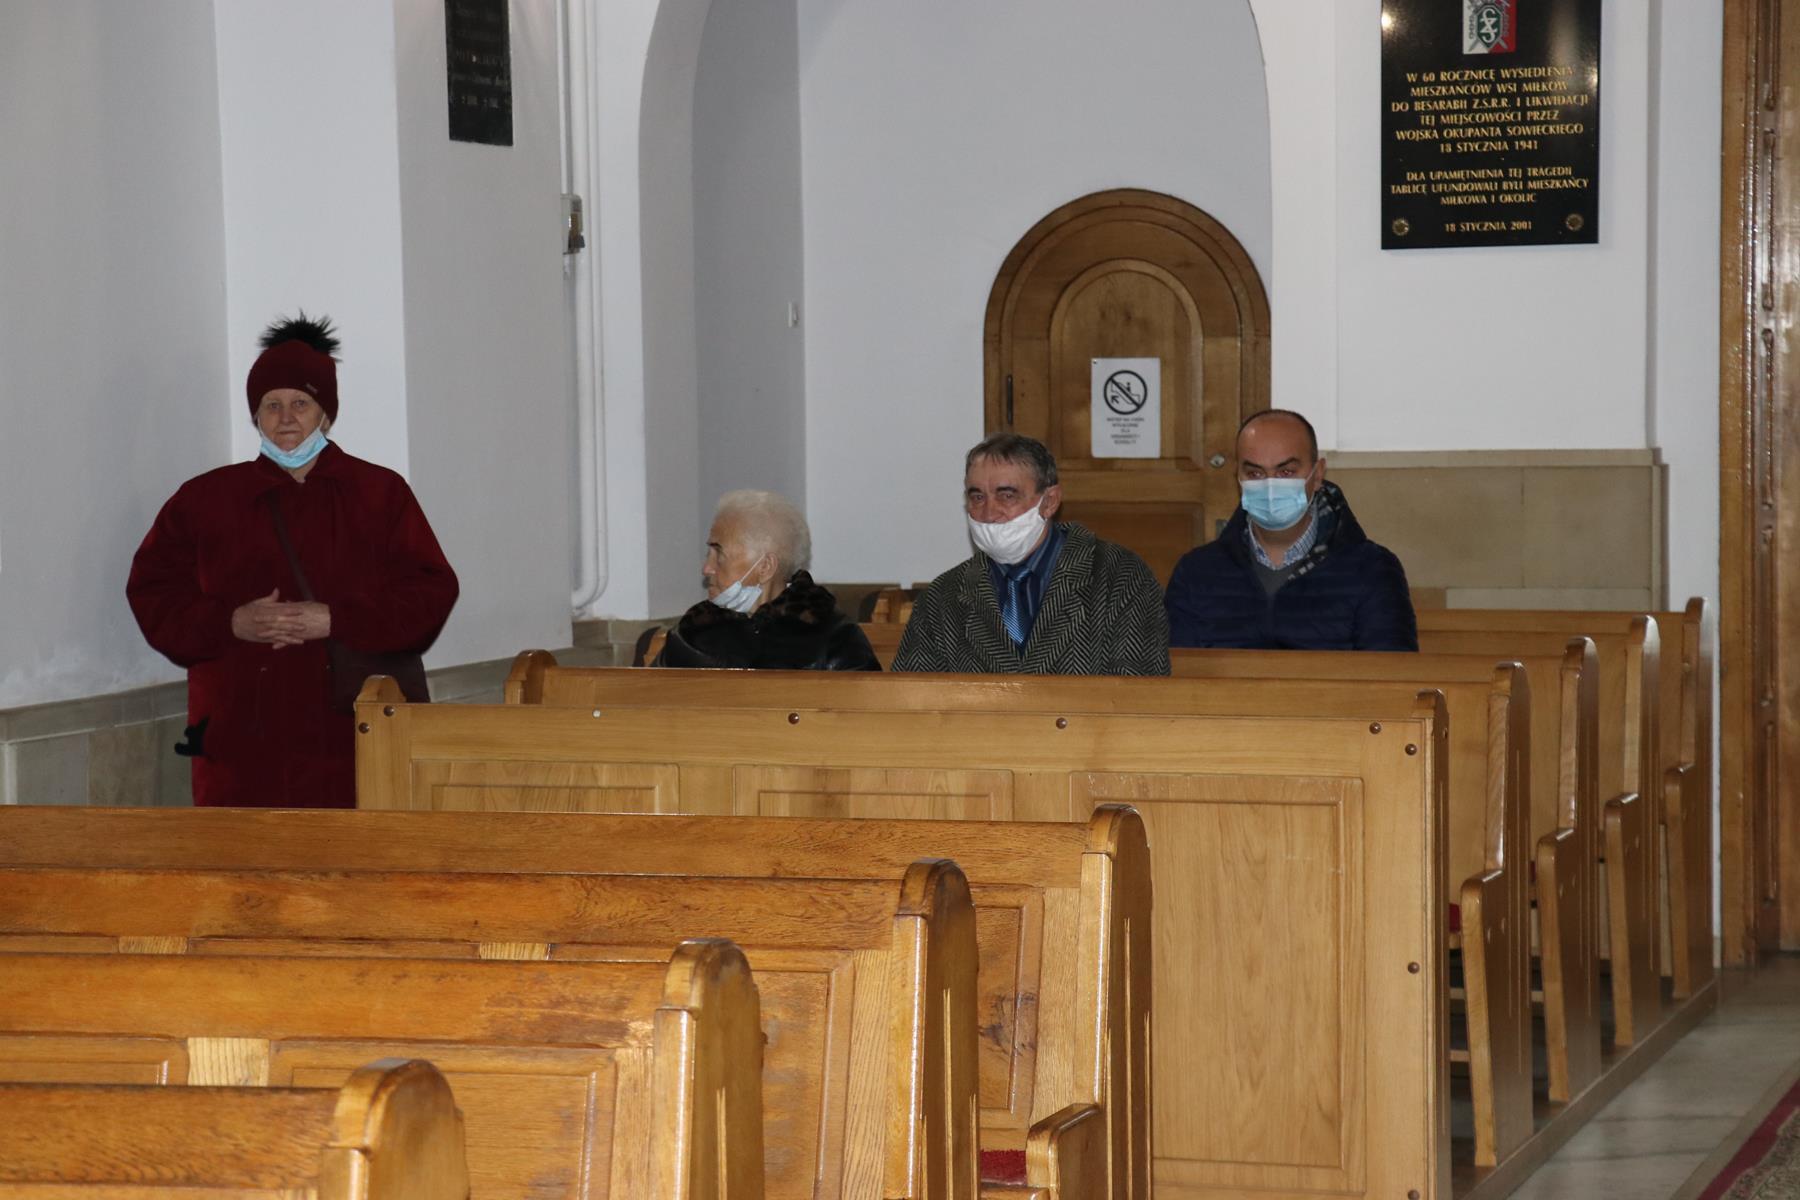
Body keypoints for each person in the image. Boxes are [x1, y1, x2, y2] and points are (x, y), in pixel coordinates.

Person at [127, 313, 459, 807]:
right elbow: (153, 593)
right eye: (272, 405)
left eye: (300, 403)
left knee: (357, 852)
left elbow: (431, 591)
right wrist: (229, 623)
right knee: (241, 854)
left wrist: (337, 619)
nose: (286, 418)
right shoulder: (205, 500)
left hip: (353, 737)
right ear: (256, 416)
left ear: (325, 414)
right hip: (239, 745)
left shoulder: (379, 493)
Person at [893, 433, 1169, 674]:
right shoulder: (944, 596)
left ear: (1049, 501)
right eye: (977, 497)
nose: (989, 513)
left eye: (1007, 495)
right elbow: (910, 699)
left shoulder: (1119, 578)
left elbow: (1137, 696)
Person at [1164, 409, 1416, 650]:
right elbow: (1178, 668)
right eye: (1255, 473)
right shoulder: (1196, 573)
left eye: (1285, 472)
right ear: (1238, 477)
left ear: (1317, 474)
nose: (1270, 486)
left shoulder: (1372, 570)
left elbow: (1391, 671)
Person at [655, 489, 879, 670]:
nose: (707, 568)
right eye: (709, 554)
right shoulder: (693, 631)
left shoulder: (831, 637)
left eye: (719, 554)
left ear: (765, 567)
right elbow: (646, 697)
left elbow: (863, 708)